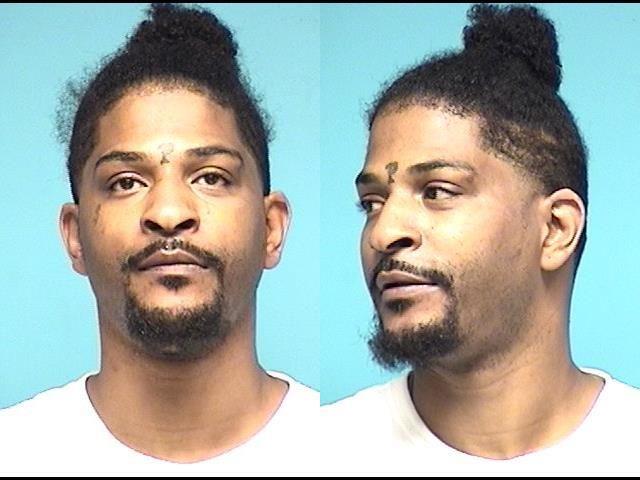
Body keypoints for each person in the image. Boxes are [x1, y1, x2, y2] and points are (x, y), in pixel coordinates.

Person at [322, 3, 640, 474]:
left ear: (556, 230)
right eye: (372, 203)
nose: (385, 232)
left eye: (437, 191)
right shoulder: (319, 452)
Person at [0, 3, 317, 474]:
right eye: (126, 182)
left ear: (271, 227)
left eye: (211, 177)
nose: (168, 213)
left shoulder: (348, 449)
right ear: (75, 236)